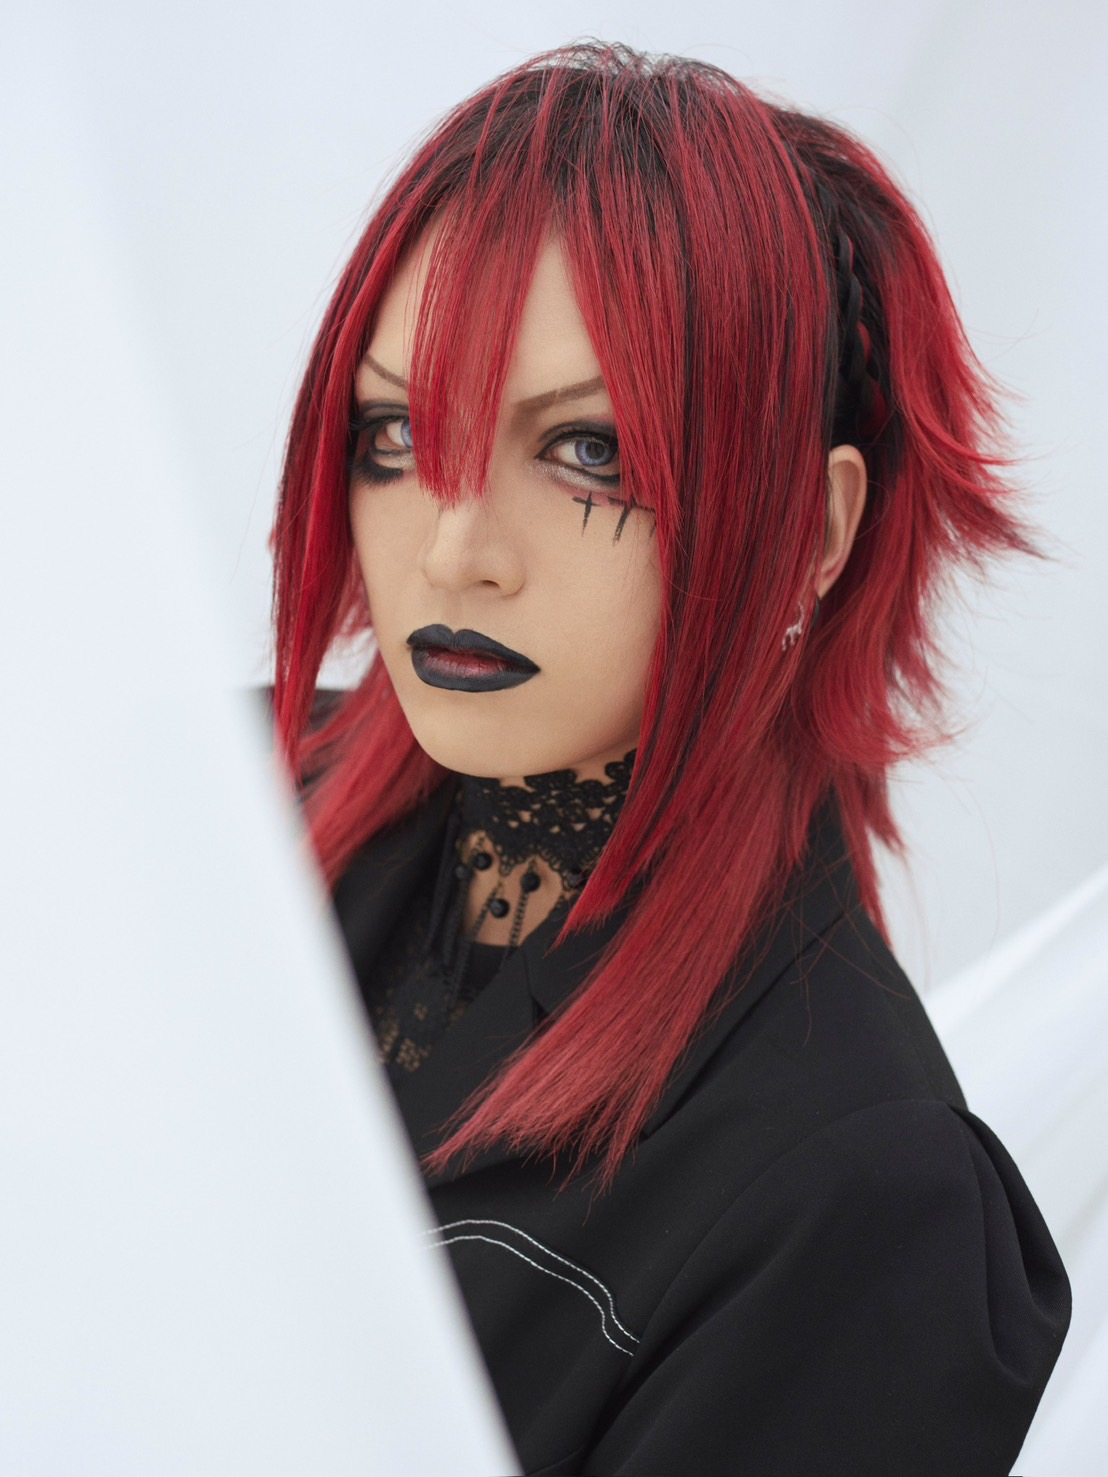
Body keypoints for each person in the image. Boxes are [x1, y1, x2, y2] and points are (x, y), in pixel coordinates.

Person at [270, 43, 1069, 1475]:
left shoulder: (856, 1199)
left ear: (812, 531)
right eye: (399, 430)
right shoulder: (199, 821)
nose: (456, 550)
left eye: (587, 452)